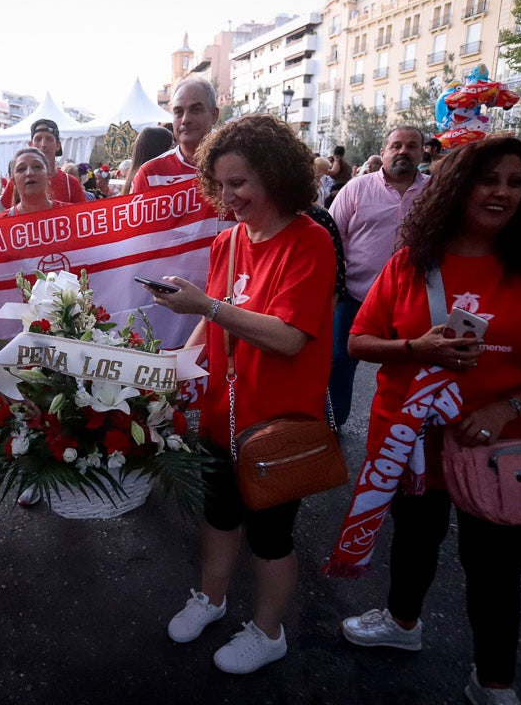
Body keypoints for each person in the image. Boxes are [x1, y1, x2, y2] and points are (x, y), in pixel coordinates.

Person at [338, 136, 521, 705]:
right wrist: (416, 349)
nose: (501, 192)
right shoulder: (412, 259)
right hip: (412, 444)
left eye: (514, 181)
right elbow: (358, 341)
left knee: (497, 570)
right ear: (457, 188)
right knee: (412, 541)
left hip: (500, 449)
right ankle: (402, 624)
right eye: (488, 180)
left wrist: (506, 408)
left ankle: (494, 683)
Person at [151, 113, 336, 674]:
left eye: (241, 183)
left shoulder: (311, 241)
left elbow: (286, 337)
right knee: (218, 518)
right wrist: (177, 361)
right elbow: (214, 322)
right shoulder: (228, 242)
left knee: (271, 538)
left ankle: (269, 631)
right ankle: (210, 598)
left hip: (276, 424)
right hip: (221, 417)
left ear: (276, 177)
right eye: (221, 184)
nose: (228, 197)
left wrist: (205, 307)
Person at [327, 126, 429, 429]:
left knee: (412, 364)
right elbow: (332, 237)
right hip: (356, 294)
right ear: (383, 152)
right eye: (396, 145)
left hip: (416, 297)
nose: (403, 151)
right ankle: (332, 422)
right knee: (338, 360)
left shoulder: (437, 192)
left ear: (422, 153)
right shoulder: (356, 189)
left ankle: (406, 428)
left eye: (411, 146)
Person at [129, 78, 219, 193]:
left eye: (195, 110)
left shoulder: (237, 168)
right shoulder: (150, 175)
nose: (185, 120)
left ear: (214, 115)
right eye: (179, 112)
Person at [0, 119, 87, 206]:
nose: (43, 144)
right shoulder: (20, 180)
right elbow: (4, 214)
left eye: (49, 139)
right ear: (31, 145)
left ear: (58, 145)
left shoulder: (70, 183)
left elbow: (81, 215)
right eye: (38, 139)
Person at [0, 148, 67, 219]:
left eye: (37, 167)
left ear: (48, 176)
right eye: (21, 169)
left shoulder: (71, 215)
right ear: (13, 181)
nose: (29, 173)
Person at [120, 125, 175, 195]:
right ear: (160, 151)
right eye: (172, 147)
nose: (175, 152)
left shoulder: (133, 179)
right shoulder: (143, 182)